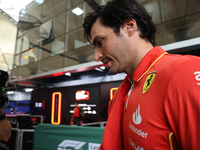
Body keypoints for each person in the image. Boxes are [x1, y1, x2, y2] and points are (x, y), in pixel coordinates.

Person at [82, 0, 200, 149]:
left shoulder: (185, 72)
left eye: (100, 42)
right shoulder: (121, 94)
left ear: (129, 27)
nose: (96, 56)